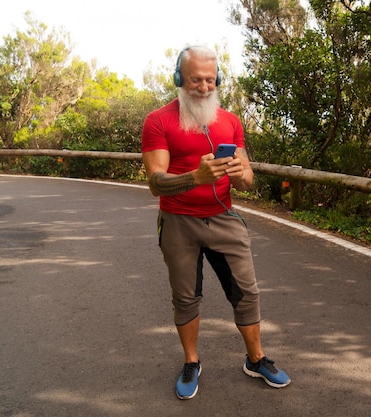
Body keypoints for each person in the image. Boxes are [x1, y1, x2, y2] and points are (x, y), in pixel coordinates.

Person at [141, 45, 291, 400]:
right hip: (179, 222)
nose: (204, 87)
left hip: (224, 218)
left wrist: (242, 173)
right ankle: (191, 362)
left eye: (210, 80)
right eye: (196, 79)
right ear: (180, 79)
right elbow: (154, 182)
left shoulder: (231, 121)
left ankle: (256, 359)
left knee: (247, 293)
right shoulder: (158, 121)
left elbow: (247, 179)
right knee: (186, 297)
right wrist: (196, 176)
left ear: (218, 79)